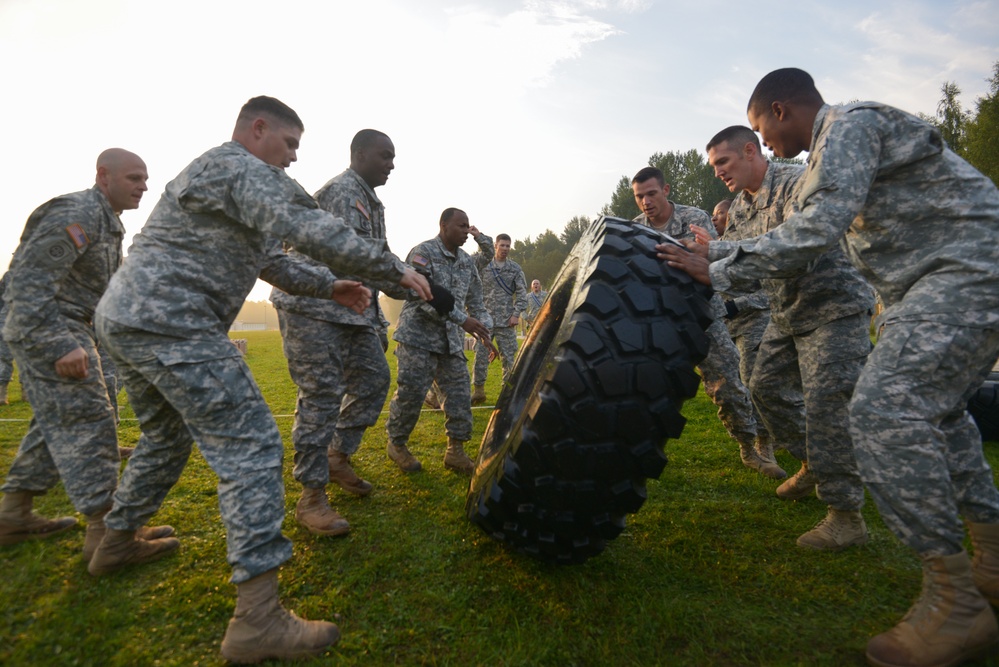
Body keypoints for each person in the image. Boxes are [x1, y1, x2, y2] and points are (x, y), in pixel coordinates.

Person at [660, 68, 999, 667]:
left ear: (781, 110)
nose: (764, 143)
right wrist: (709, 251)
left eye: (762, 128)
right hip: (922, 286)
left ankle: (956, 605)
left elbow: (814, 230)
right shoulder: (828, 146)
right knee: (940, 418)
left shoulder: (847, 127)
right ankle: (991, 558)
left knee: (882, 411)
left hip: (962, 271)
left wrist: (714, 266)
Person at [89, 96, 431, 663]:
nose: (294, 159)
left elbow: (271, 259)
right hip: (175, 322)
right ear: (258, 128)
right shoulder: (237, 165)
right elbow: (305, 223)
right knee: (250, 446)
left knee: (167, 439)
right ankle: (258, 620)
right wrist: (395, 269)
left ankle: (116, 541)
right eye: (290, 144)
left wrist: (330, 287)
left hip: (130, 319)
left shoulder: (230, 182)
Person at [704, 125, 875, 552]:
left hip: (831, 307)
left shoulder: (798, 181)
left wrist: (707, 259)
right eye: (714, 167)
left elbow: (786, 246)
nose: (719, 173)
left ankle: (846, 516)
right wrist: (704, 254)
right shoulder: (741, 208)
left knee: (827, 407)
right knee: (763, 388)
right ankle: (815, 463)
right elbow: (743, 256)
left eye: (722, 162)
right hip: (786, 313)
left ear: (749, 151)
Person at [0, 148, 171, 557]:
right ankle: (110, 532)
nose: (143, 186)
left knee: (53, 423)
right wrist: (61, 344)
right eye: (134, 178)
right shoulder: (76, 213)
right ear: (103, 176)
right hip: (52, 327)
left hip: (71, 326)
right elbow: (26, 283)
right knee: (92, 420)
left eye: (145, 179)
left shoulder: (107, 222)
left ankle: (13, 514)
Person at [270, 129, 410, 535]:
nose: (391, 164)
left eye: (393, 157)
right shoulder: (342, 192)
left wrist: (411, 281)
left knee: (373, 379)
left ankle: (336, 456)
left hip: (351, 310)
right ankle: (311, 498)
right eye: (385, 156)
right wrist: (408, 279)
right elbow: (353, 251)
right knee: (321, 396)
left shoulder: (367, 198)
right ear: (360, 154)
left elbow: (374, 254)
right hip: (311, 305)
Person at [631, 167, 784, 479]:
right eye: (639, 196)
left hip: (702, 316)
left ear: (666, 190)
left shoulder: (695, 219)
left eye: (651, 193)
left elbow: (716, 261)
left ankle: (751, 445)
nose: (645, 202)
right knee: (642, 387)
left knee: (728, 384)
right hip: (659, 322)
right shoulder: (635, 230)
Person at [385, 208, 493, 475]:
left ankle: (455, 452)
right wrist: (462, 320)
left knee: (459, 397)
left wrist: (485, 329)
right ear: (444, 225)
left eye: (469, 226)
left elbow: (476, 301)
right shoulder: (424, 253)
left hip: (450, 344)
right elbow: (421, 296)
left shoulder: (467, 262)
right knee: (411, 394)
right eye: (461, 226)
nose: (467, 231)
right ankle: (397, 444)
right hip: (418, 338)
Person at [470, 233, 527, 405]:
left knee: (509, 359)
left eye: (508, 246)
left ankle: (507, 394)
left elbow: (522, 294)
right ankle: (478, 391)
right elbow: (472, 286)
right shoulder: (483, 265)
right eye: (502, 245)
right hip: (484, 321)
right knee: (480, 356)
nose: (505, 249)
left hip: (506, 322)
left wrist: (516, 314)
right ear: (495, 246)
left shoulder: (515, 269)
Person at [0, 270, 13, 405]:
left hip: (30, 324)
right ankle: (2, 393)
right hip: (6, 322)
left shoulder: (44, 273)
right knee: (4, 357)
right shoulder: (8, 275)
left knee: (29, 359)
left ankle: (27, 391)